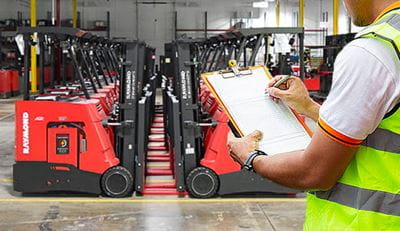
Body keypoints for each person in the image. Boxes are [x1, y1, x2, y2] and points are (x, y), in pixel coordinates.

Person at [228, 0, 400, 229]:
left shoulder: (375, 50)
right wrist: (308, 106)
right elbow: (384, 130)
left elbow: (314, 173)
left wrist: (250, 157)